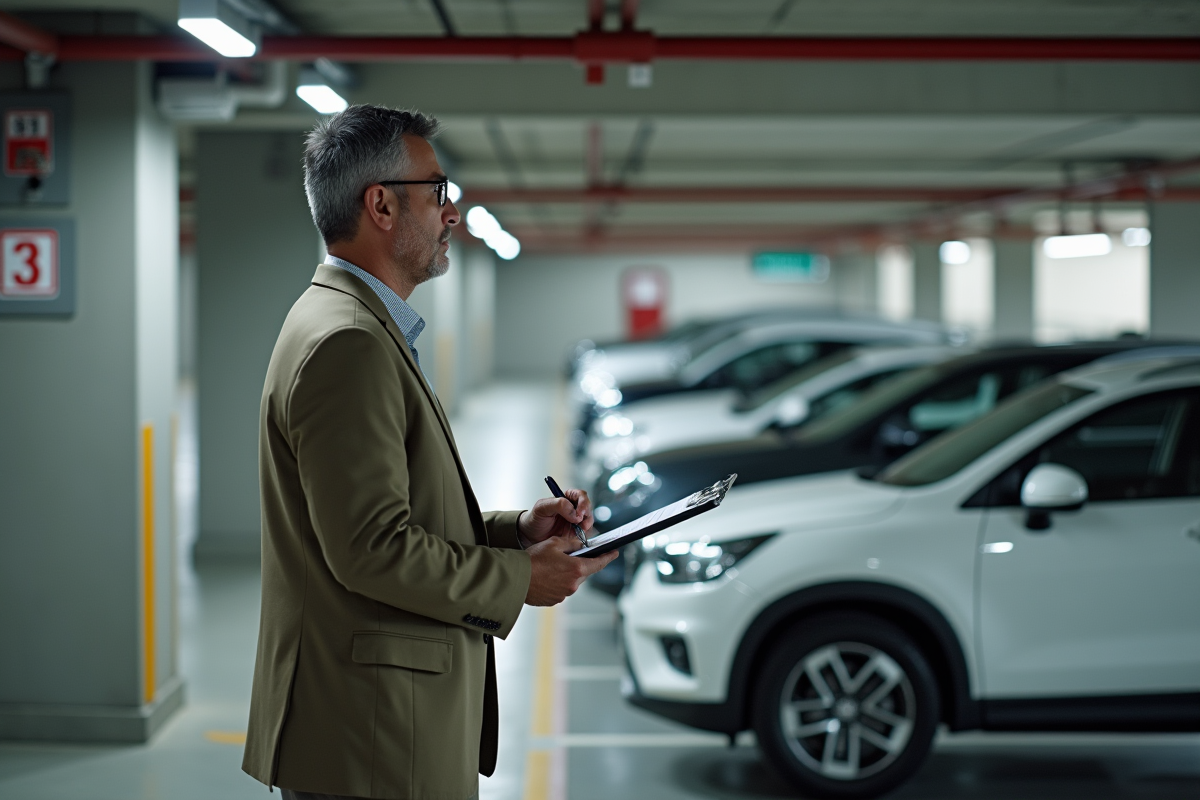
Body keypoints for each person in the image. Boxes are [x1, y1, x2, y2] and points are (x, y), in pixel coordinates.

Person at [241, 105, 617, 800]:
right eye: (438, 192)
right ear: (380, 205)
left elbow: (386, 515)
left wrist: (515, 532)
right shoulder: (348, 342)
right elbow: (371, 549)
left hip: (373, 727)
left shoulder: (351, 322)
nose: (452, 213)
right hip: (375, 734)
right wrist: (516, 580)